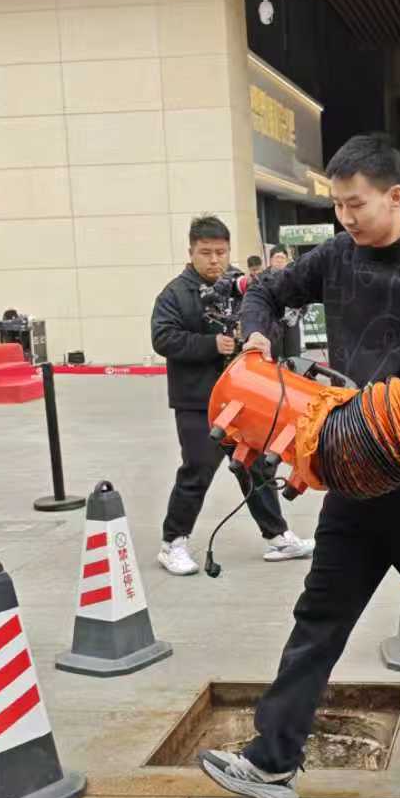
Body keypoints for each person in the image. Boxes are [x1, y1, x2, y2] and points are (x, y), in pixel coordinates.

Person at [198, 135, 400, 798]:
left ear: (393, 195)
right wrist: (257, 331)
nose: (345, 218)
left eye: (356, 204)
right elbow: (266, 291)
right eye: (338, 205)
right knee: (320, 612)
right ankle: (272, 759)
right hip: (347, 465)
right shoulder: (335, 257)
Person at [151, 217, 312, 576]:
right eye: (205, 253)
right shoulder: (174, 294)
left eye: (220, 252)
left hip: (245, 397)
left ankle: (278, 536)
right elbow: (162, 338)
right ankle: (172, 542)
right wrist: (212, 344)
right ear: (190, 252)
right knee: (198, 469)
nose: (214, 260)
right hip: (197, 401)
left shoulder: (242, 285)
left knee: (255, 466)